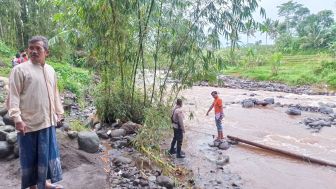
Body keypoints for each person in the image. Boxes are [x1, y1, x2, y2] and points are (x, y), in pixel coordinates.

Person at [7, 36, 64, 189]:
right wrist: (17, 119)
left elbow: (55, 92)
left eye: (38, 48)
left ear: (47, 52)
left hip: (47, 121)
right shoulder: (19, 70)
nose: (33, 51)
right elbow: (13, 96)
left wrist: (59, 112)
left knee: (45, 157)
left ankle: (44, 184)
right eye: (31, 48)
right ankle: (33, 187)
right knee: (30, 159)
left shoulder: (51, 70)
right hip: (28, 124)